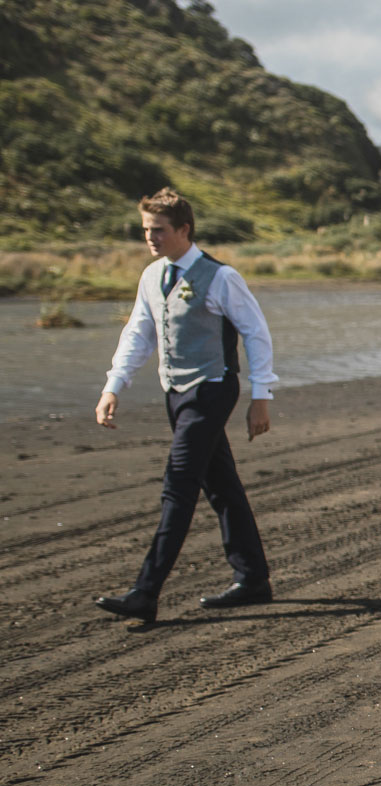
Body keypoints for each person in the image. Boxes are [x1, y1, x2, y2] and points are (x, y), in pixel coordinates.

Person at [93, 188, 276, 625]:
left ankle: (145, 591)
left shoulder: (221, 276)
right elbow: (139, 334)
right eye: (145, 230)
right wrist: (113, 385)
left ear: (183, 230)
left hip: (212, 389)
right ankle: (253, 579)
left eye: (158, 230)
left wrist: (261, 396)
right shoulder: (152, 276)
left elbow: (256, 333)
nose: (150, 238)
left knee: (178, 485)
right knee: (221, 486)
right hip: (175, 392)